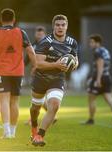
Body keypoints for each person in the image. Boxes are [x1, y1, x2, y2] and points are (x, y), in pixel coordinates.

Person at [0, 8, 37, 138]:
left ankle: (6, 131)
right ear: (14, 19)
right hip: (18, 72)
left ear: (1, 20)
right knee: (15, 102)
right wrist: (35, 66)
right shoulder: (21, 33)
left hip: (2, 72)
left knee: (4, 101)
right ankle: (13, 132)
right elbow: (30, 51)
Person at [29, 14, 79, 146]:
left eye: (63, 25)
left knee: (54, 105)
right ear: (53, 26)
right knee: (35, 108)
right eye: (57, 25)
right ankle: (33, 127)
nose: (60, 27)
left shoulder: (72, 43)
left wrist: (73, 64)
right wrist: (56, 65)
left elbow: (75, 59)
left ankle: (40, 135)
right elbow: (38, 64)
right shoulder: (45, 41)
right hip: (41, 78)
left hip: (57, 79)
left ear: (67, 26)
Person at [85, 34, 112, 125]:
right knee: (109, 98)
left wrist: (98, 79)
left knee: (91, 98)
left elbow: (100, 65)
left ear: (97, 43)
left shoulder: (97, 51)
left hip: (99, 77)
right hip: (107, 77)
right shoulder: (105, 50)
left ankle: (91, 119)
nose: (90, 44)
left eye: (92, 42)